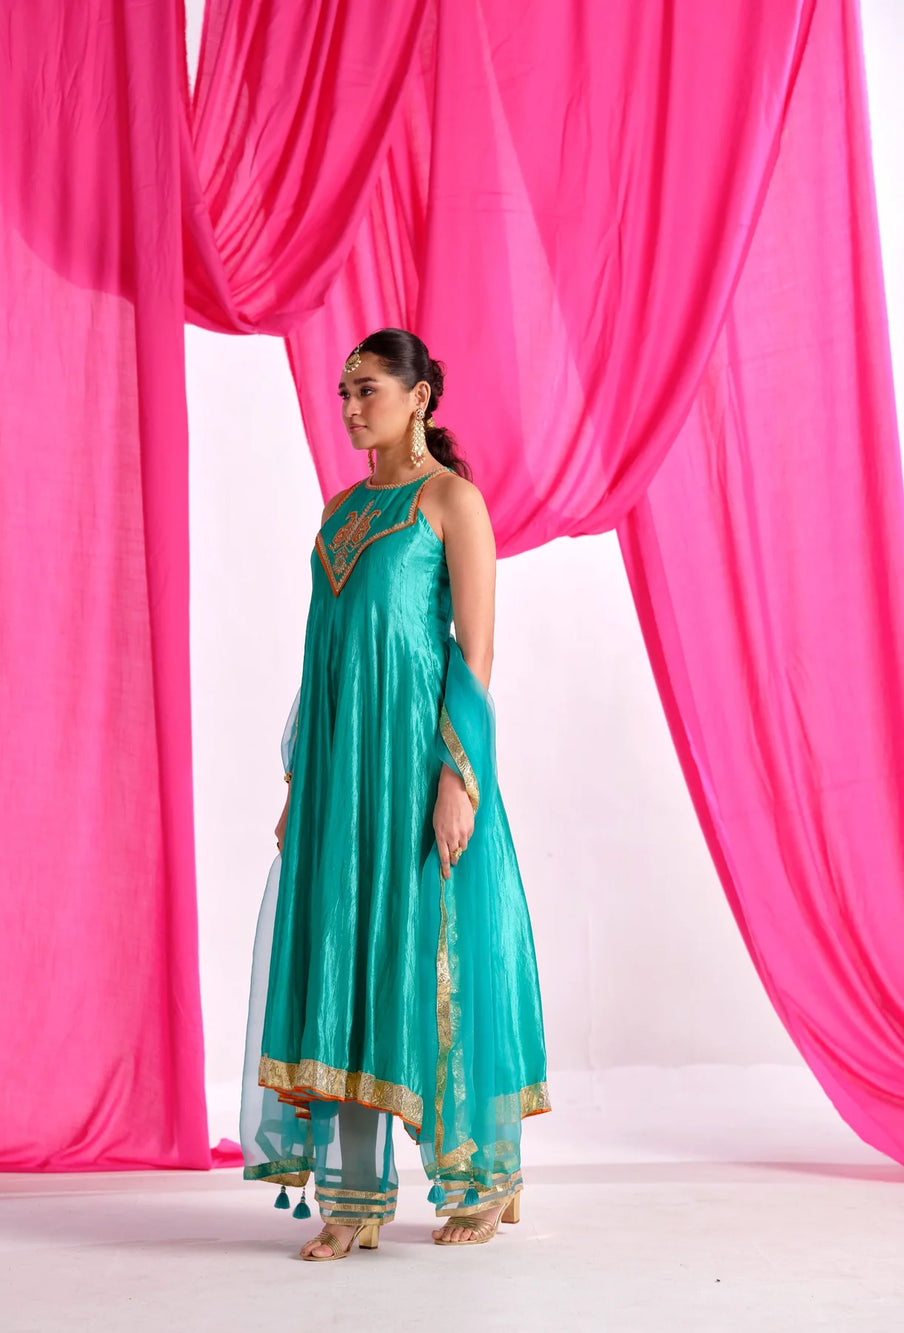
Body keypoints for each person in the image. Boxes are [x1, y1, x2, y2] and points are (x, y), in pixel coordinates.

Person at [239, 328, 549, 1260]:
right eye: (343, 391)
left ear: (418, 396)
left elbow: (476, 653)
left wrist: (459, 777)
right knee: (345, 962)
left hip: (418, 765)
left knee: (437, 961)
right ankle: (354, 1199)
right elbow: (322, 657)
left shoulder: (452, 502)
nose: (349, 407)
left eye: (367, 388)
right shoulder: (339, 512)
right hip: (343, 775)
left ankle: (482, 1178)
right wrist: (302, 781)